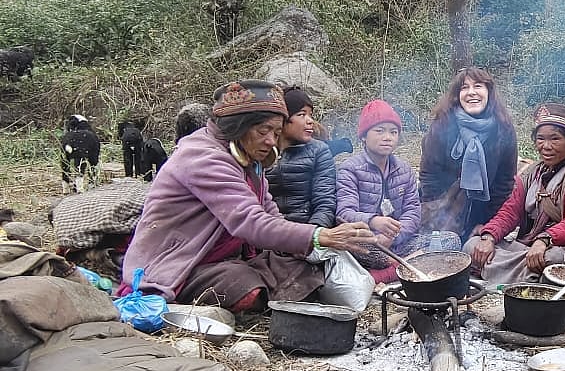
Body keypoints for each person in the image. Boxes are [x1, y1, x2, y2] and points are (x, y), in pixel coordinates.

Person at [118, 80, 376, 312]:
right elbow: (251, 222)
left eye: (276, 133)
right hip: (184, 262)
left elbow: (269, 212)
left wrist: (315, 241)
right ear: (238, 127)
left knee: (306, 267)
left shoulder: (248, 159)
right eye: (263, 130)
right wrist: (321, 235)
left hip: (230, 257)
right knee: (244, 287)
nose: (270, 141)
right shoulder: (203, 157)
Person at [465, 103, 565, 284]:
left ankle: (504, 273)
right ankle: (533, 277)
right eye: (540, 139)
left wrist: (545, 239)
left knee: (552, 260)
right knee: (472, 245)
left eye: (555, 139)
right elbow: (510, 212)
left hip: (563, 248)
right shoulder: (531, 174)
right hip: (528, 247)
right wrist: (489, 237)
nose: (546, 146)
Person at [337, 99, 460, 283]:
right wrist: (374, 222)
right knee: (352, 247)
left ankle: (381, 275)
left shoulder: (404, 170)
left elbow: (412, 212)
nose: (387, 137)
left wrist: (393, 236)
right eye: (379, 131)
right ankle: (405, 268)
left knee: (450, 241)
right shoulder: (350, 169)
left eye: (393, 132)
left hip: (397, 243)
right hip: (367, 242)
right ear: (363, 136)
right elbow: (344, 214)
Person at [419, 67, 518, 238]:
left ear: (489, 92)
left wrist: (490, 224)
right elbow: (429, 174)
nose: (471, 92)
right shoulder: (442, 124)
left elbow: (504, 183)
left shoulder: (503, 129)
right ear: (457, 95)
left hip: (484, 209)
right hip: (445, 206)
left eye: (478, 86)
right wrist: (436, 215)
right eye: (464, 88)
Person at [266, 86, 337, 228]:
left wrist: (314, 236)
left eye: (310, 115)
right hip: (266, 230)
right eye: (302, 114)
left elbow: (325, 202)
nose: (310, 121)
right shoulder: (261, 150)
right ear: (283, 118)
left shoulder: (319, 151)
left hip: (306, 229)